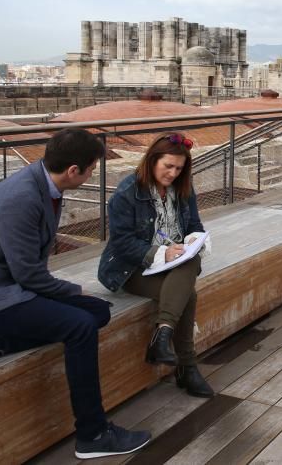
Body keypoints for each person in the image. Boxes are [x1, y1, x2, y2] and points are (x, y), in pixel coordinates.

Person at [0, 129, 151, 459]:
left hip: (6, 287)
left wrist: (73, 297)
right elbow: (28, 274)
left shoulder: (45, 183)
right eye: (92, 168)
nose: (93, 173)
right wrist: (72, 291)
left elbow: (27, 270)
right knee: (80, 326)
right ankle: (92, 434)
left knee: (98, 312)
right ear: (74, 171)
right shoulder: (20, 198)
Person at [97, 132, 213, 398]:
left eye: (179, 168)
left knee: (190, 259)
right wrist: (161, 253)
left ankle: (163, 336)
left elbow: (194, 225)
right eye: (167, 166)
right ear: (151, 161)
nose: (173, 173)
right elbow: (122, 244)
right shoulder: (127, 193)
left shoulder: (183, 187)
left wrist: (194, 240)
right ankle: (187, 366)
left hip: (174, 264)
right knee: (188, 291)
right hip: (131, 267)